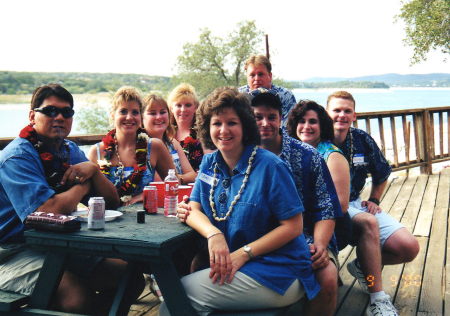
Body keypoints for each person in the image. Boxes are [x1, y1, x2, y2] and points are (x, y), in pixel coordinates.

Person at [161, 87, 320, 316]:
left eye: (232, 123)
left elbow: (293, 226)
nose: (223, 130)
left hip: (279, 271)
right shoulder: (209, 163)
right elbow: (192, 209)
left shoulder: (270, 167)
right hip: (237, 266)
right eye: (217, 123)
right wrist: (213, 234)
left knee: (177, 296)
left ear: (245, 126)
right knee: (179, 297)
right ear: (207, 128)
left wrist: (244, 253)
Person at [0, 84, 143, 314]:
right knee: (75, 295)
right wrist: (83, 185)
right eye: (50, 111)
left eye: (66, 112)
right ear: (31, 116)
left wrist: (95, 171)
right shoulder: (16, 158)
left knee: (128, 276)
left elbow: (112, 202)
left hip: (54, 245)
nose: (59, 117)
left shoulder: (68, 150)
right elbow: (45, 213)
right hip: (11, 252)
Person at [250, 92, 342, 316]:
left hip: (306, 235)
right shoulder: (240, 154)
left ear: (281, 118)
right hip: (251, 236)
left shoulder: (308, 156)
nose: (265, 123)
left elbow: (326, 207)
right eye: (257, 117)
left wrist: (320, 245)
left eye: (271, 117)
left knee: (327, 277)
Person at [88, 86, 175, 205]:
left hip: (147, 218)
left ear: (141, 116)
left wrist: (143, 196)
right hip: (107, 218)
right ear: (113, 115)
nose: (129, 117)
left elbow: (175, 186)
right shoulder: (96, 152)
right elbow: (89, 194)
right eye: (123, 111)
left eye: (135, 112)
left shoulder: (154, 147)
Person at [142, 94, 197, 184]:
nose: (159, 117)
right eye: (152, 113)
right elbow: (159, 181)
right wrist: (177, 179)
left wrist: (178, 179)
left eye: (162, 112)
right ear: (141, 118)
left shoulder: (173, 143)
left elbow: (192, 175)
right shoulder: (142, 147)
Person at [238, 55, 296, 127]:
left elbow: (289, 127)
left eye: (260, 74)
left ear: (270, 76)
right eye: (252, 75)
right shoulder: (238, 96)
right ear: (247, 77)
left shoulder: (285, 96)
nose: (256, 79)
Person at [167, 83, 204, 171]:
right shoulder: (166, 134)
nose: (183, 110)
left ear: (195, 107)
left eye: (188, 105)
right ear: (171, 108)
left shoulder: (203, 135)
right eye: (178, 105)